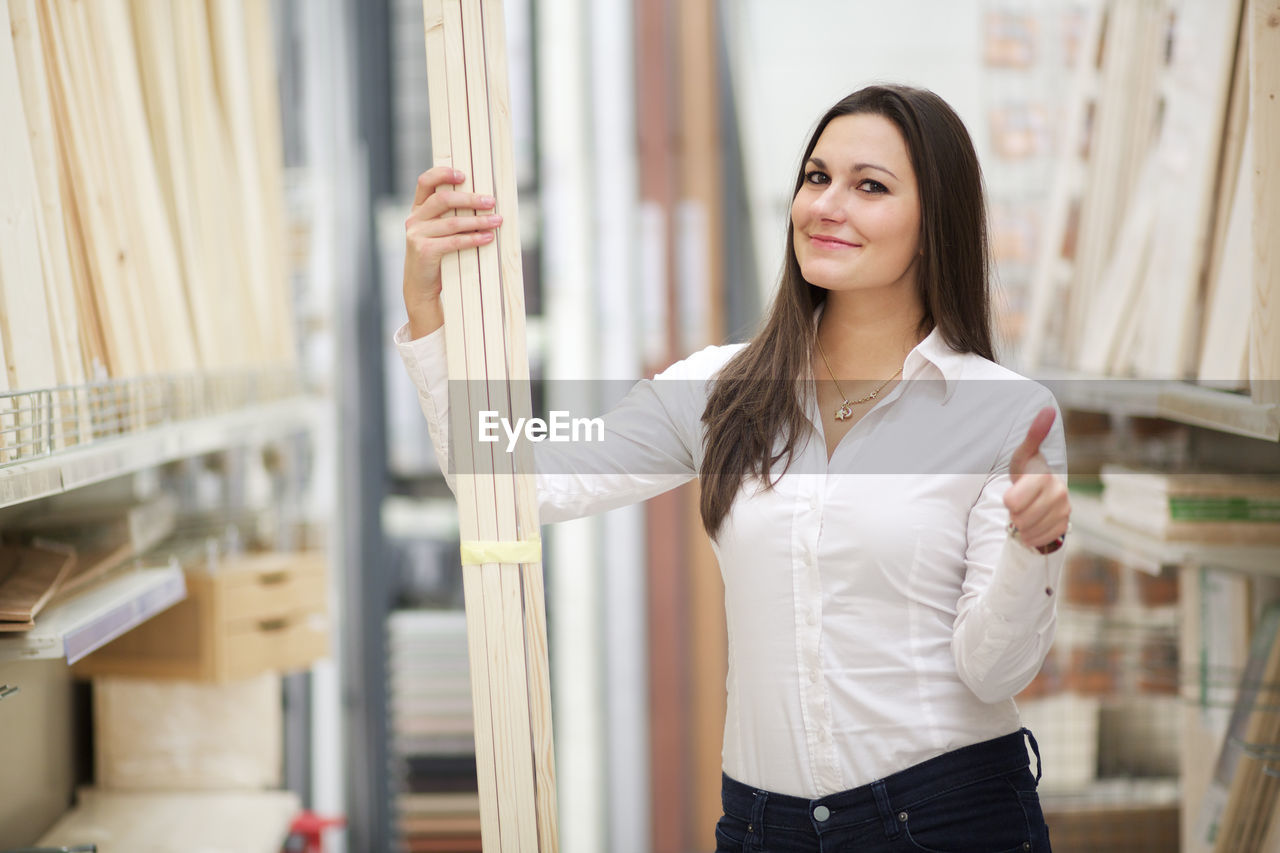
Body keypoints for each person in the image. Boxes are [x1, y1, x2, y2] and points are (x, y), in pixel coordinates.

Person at [398, 84, 1069, 853]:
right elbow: (511, 481)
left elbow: (994, 671)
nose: (826, 204)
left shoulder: (1004, 413)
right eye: (816, 178)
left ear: (934, 223)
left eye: (869, 186)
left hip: (948, 819)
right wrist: (429, 308)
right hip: (764, 827)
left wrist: (1029, 548)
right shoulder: (721, 391)